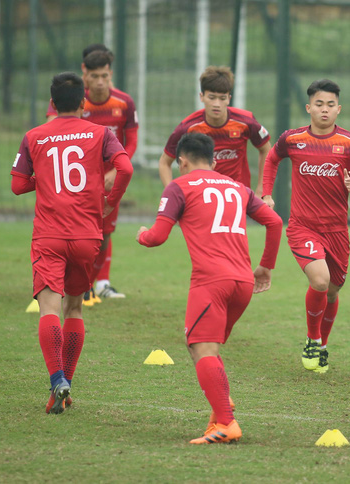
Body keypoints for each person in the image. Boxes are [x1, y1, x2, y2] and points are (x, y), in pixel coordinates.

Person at [137, 132, 282, 444]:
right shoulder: (238, 187)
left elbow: (158, 236)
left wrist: (142, 235)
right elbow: (274, 222)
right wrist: (265, 267)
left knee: (202, 347)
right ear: (214, 161)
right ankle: (221, 407)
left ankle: (226, 423)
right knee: (203, 346)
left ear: (182, 161)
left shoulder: (179, 186)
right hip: (243, 282)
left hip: (210, 281)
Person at [12, 72, 133, 413]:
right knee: (75, 308)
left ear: (52, 104)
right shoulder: (101, 134)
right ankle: (62, 392)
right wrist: (110, 199)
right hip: (87, 235)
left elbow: (18, 185)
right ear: (83, 103)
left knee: (49, 308)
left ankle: (56, 379)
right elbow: (125, 168)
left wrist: (45, 179)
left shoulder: (34, 135)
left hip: (49, 235)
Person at [262, 79, 350, 373]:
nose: (325, 110)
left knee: (333, 291)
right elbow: (272, 160)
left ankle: (322, 344)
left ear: (339, 109)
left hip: (337, 231)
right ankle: (312, 339)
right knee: (320, 281)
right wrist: (267, 193)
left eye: (331, 105)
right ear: (309, 107)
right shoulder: (293, 139)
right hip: (303, 227)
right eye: (319, 104)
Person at [46, 47, 136, 303]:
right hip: (74, 181)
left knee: (104, 232)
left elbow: (131, 142)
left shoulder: (124, 102)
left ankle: (92, 285)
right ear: (85, 74)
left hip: (108, 179)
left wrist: (112, 170)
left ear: (110, 75)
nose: (99, 82)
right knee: (71, 233)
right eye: (94, 76)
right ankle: (60, 283)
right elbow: (51, 131)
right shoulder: (72, 100)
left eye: (104, 76)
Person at [158, 65, 271, 197]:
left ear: (229, 98)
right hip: (199, 198)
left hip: (237, 196)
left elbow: (266, 149)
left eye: (222, 98)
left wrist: (262, 190)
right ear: (202, 97)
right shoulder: (188, 127)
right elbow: (164, 163)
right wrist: (173, 194)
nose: (217, 104)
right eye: (211, 97)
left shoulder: (246, 122)